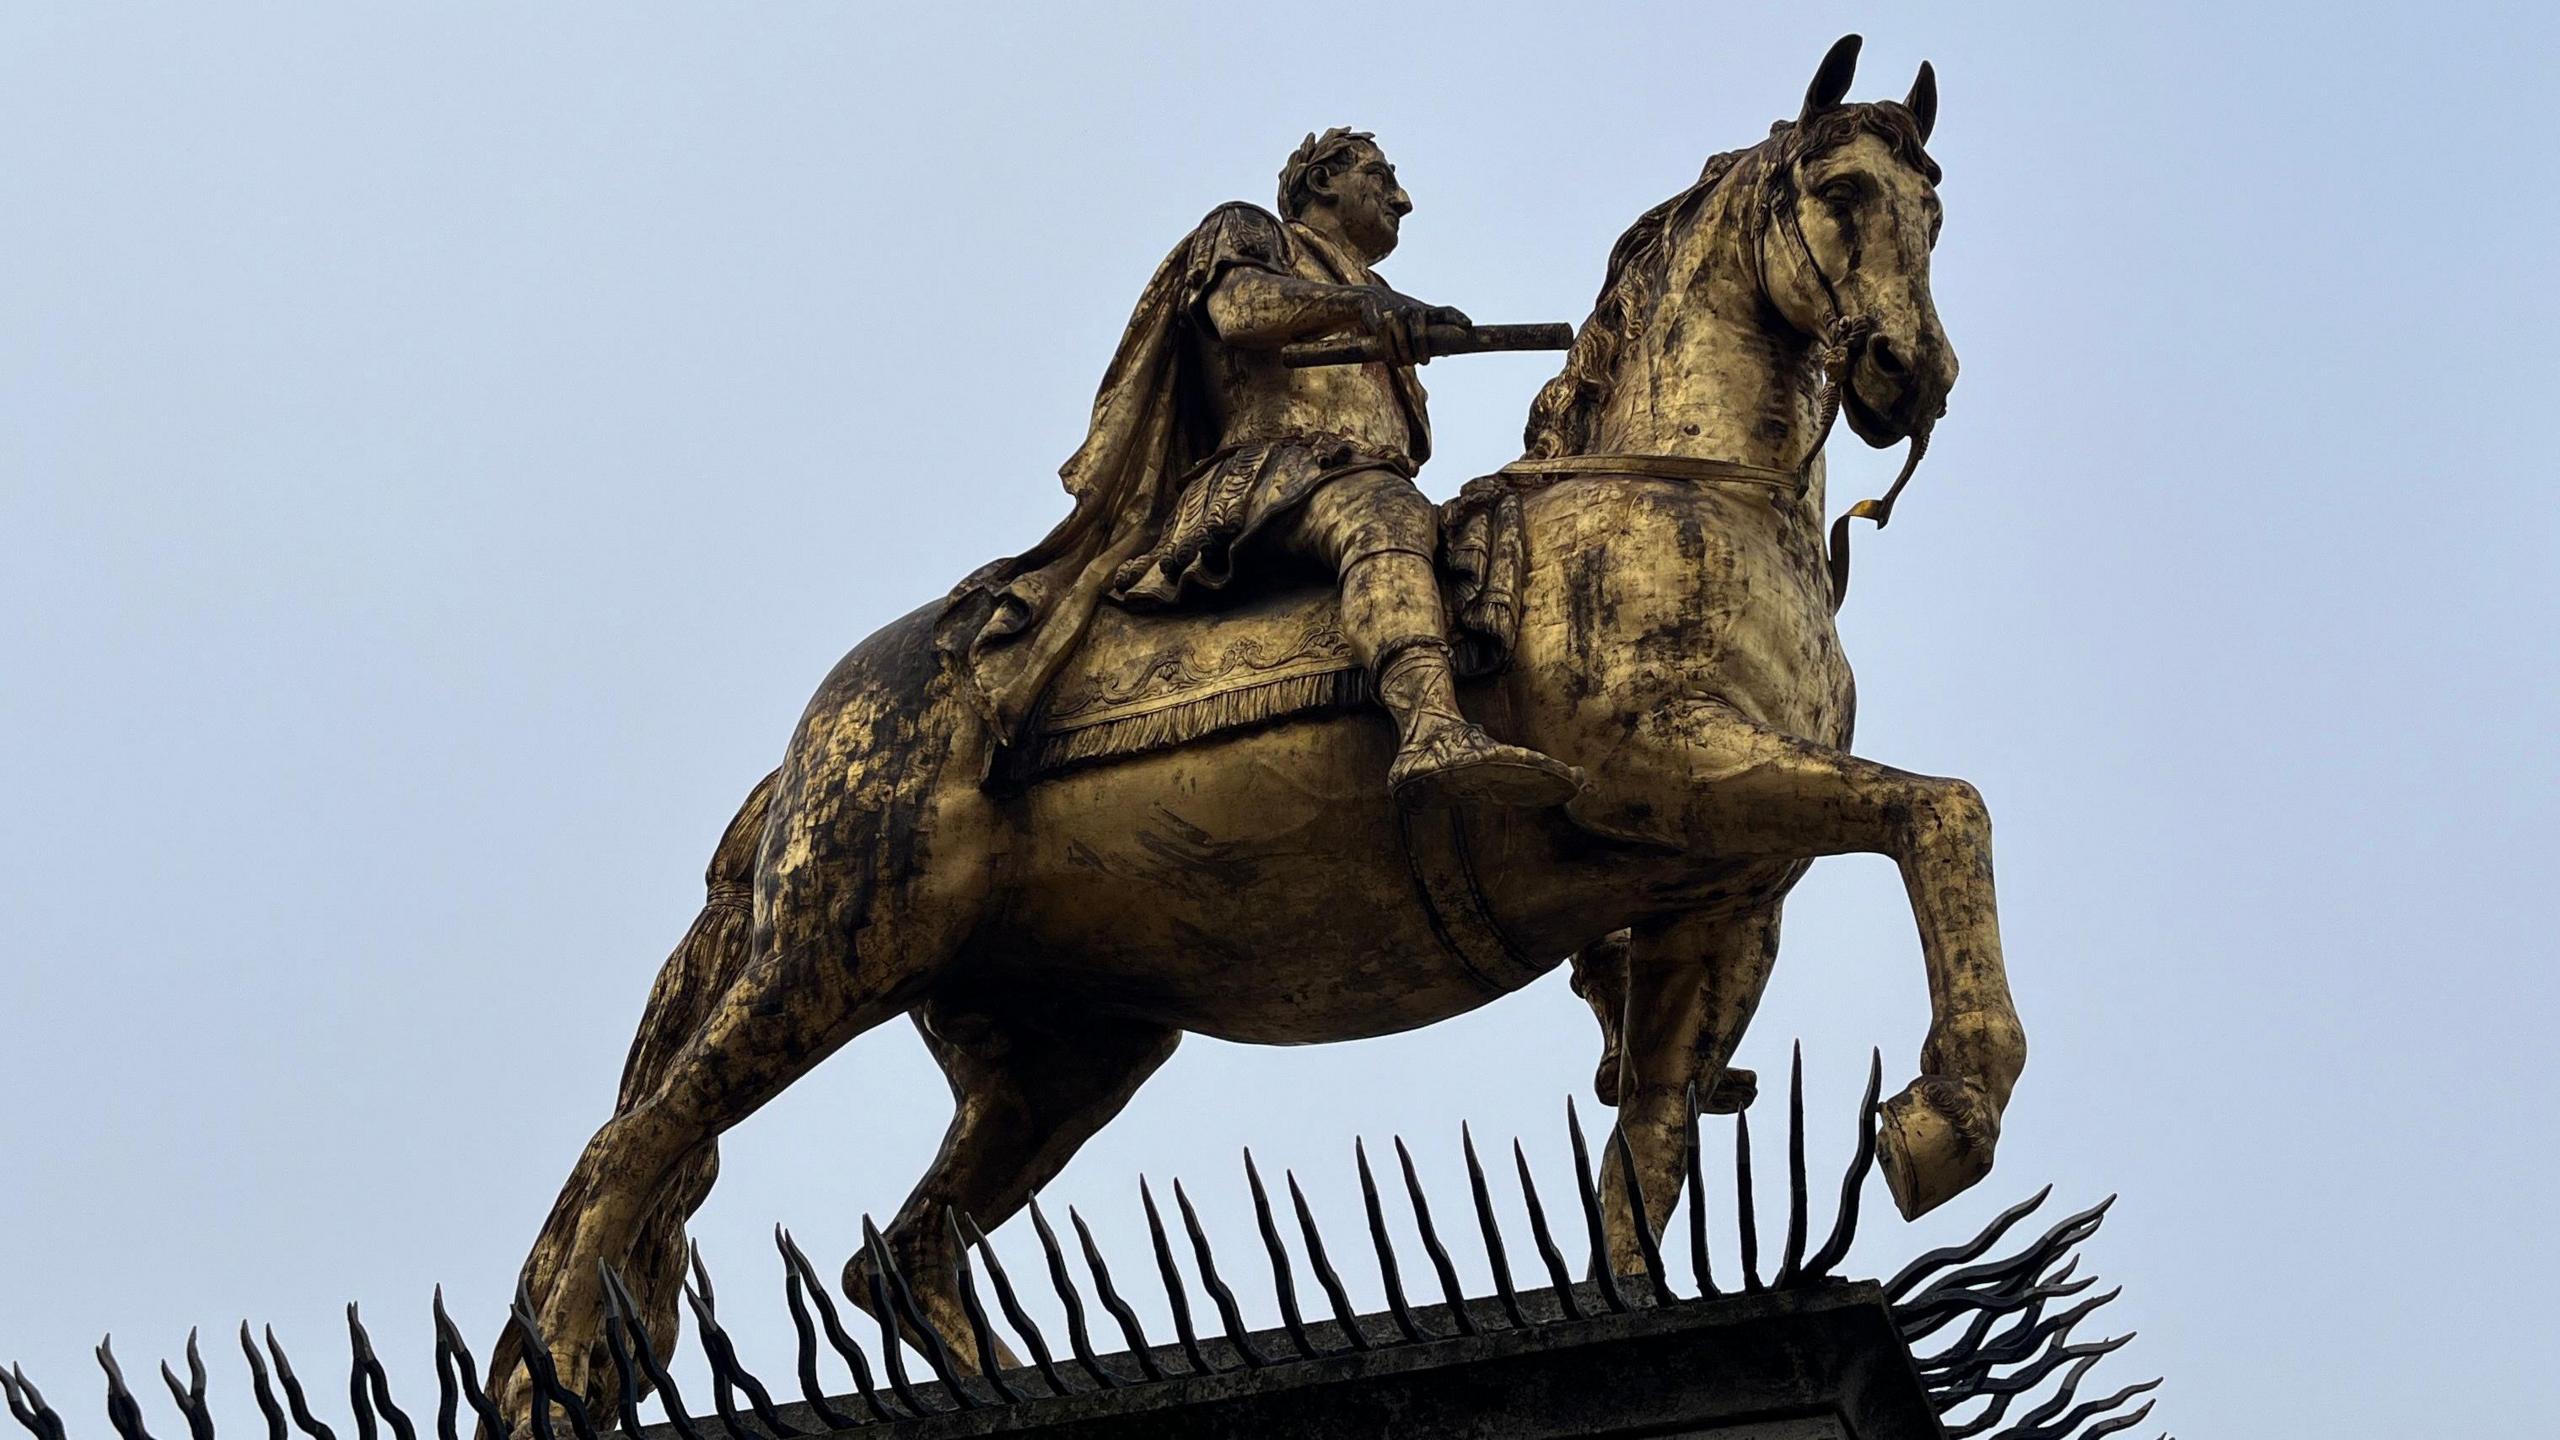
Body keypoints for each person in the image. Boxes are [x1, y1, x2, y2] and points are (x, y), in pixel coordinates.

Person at [944, 128, 1579, 807]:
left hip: (1348, 477)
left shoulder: (1376, 290)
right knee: (1385, 511)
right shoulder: (1250, 229)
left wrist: (1387, 313)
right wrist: (1367, 308)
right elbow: (1240, 311)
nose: (1403, 198)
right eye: (1381, 175)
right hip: (1262, 476)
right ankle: (1430, 730)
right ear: (1325, 180)